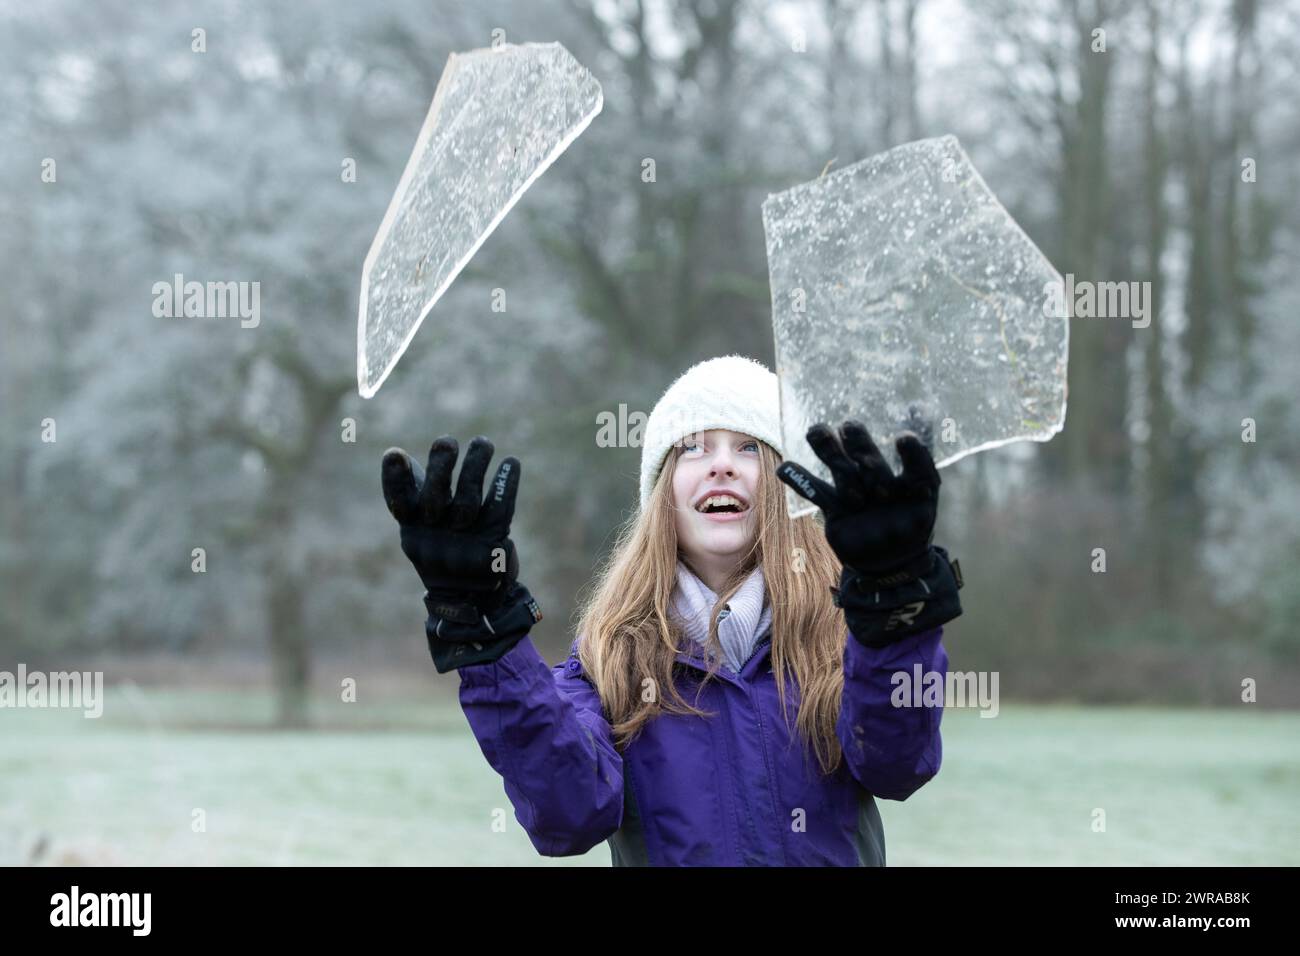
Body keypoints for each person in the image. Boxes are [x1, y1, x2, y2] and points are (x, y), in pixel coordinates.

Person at [380, 354, 963, 866]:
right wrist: (486, 636)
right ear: (662, 496)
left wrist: (893, 599)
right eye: (692, 449)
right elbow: (568, 815)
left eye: (749, 448)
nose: (722, 465)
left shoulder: (846, 636)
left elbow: (899, 763)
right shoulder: (610, 661)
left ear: (788, 492)